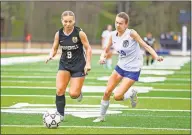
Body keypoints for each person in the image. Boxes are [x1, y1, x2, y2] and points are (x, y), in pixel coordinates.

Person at [93, 12, 163, 122]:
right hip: (120, 66)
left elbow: (145, 45)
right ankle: (101, 117)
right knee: (107, 92)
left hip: (133, 69)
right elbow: (106, 49)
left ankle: (130, 93)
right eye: (116, 22)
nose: (117, 25)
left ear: (126, 24)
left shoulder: (131, 34)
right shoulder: (112, 35)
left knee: (117, 96)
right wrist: (102, 57)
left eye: (120, 23)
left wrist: (156, 56)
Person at [45, 11, 92, 121]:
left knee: (73, 94)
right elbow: (55, 48)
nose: (68, 24)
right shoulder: (59, 34)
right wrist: (51, 55)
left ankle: (78, 92)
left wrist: (88, 63)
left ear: (74, 21)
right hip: (64, 64)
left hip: (79, 65)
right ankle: (60, 115)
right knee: (60, 89)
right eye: (65, 21)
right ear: (62, 21)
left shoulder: (79, 33)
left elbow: (88, 48)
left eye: (70, 21)